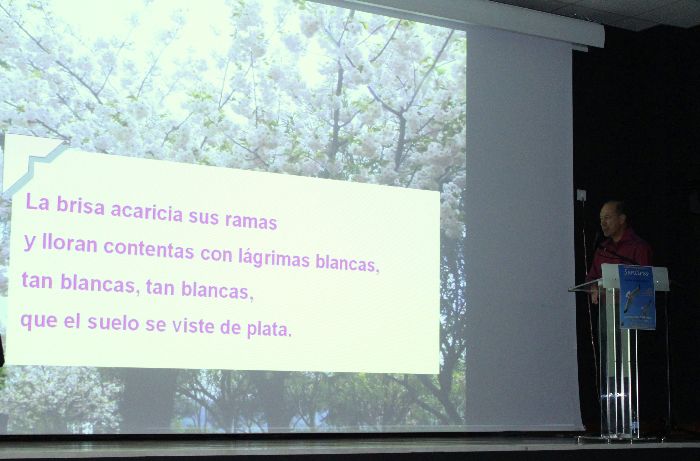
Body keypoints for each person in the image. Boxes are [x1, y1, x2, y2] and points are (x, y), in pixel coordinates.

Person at [586, 200, 652, 304]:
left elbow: (645, 283)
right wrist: (593, 287)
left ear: (621, 219)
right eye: (601, 219)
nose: (603, 223)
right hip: (607, 309)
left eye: (607, 218)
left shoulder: (639, 247)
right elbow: (591, 278)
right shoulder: (602, 249)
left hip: (633, 309)